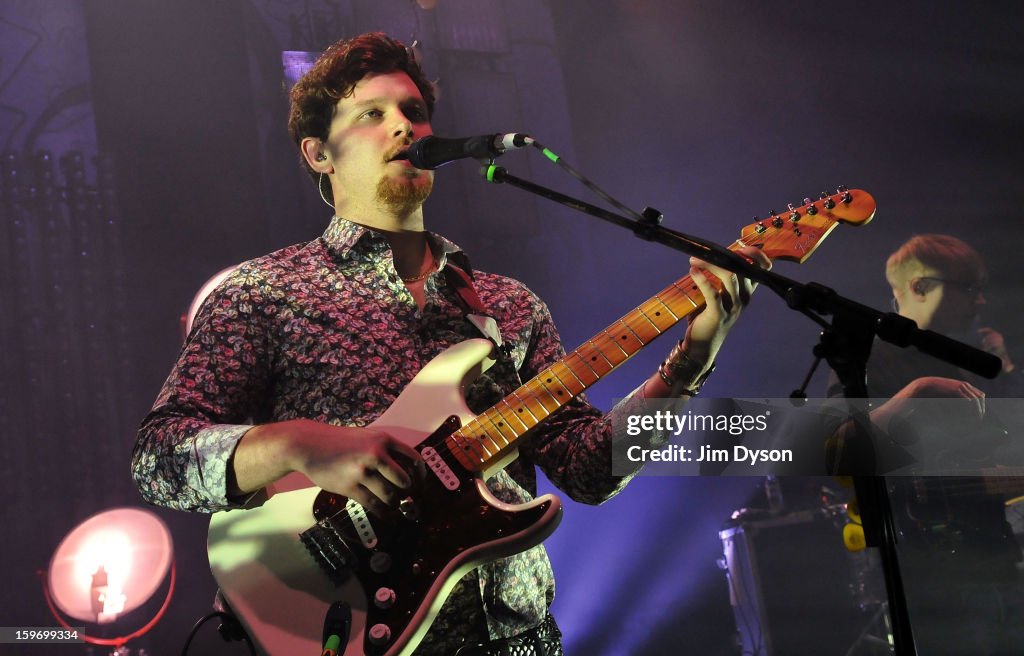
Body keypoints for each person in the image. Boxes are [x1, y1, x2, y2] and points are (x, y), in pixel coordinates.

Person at [132, 32, 768, 655]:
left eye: (414, 111)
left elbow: (590, 470)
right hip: (359, 624)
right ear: (319, 154)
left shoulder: (509, 307)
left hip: (523, 641)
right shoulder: (263, 293)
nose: (403, 127)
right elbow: (158, 460)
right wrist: (301, 443)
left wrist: (690, 363)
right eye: (372, 114)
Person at [827, 234, 1023, 655]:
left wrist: (1005, 370)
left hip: (996, 558)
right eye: (969, 287)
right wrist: (915, 392)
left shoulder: (963, 357)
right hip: (929, 576)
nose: (981, 301)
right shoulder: (872, 360)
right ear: (919, 287)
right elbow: (837, 450)